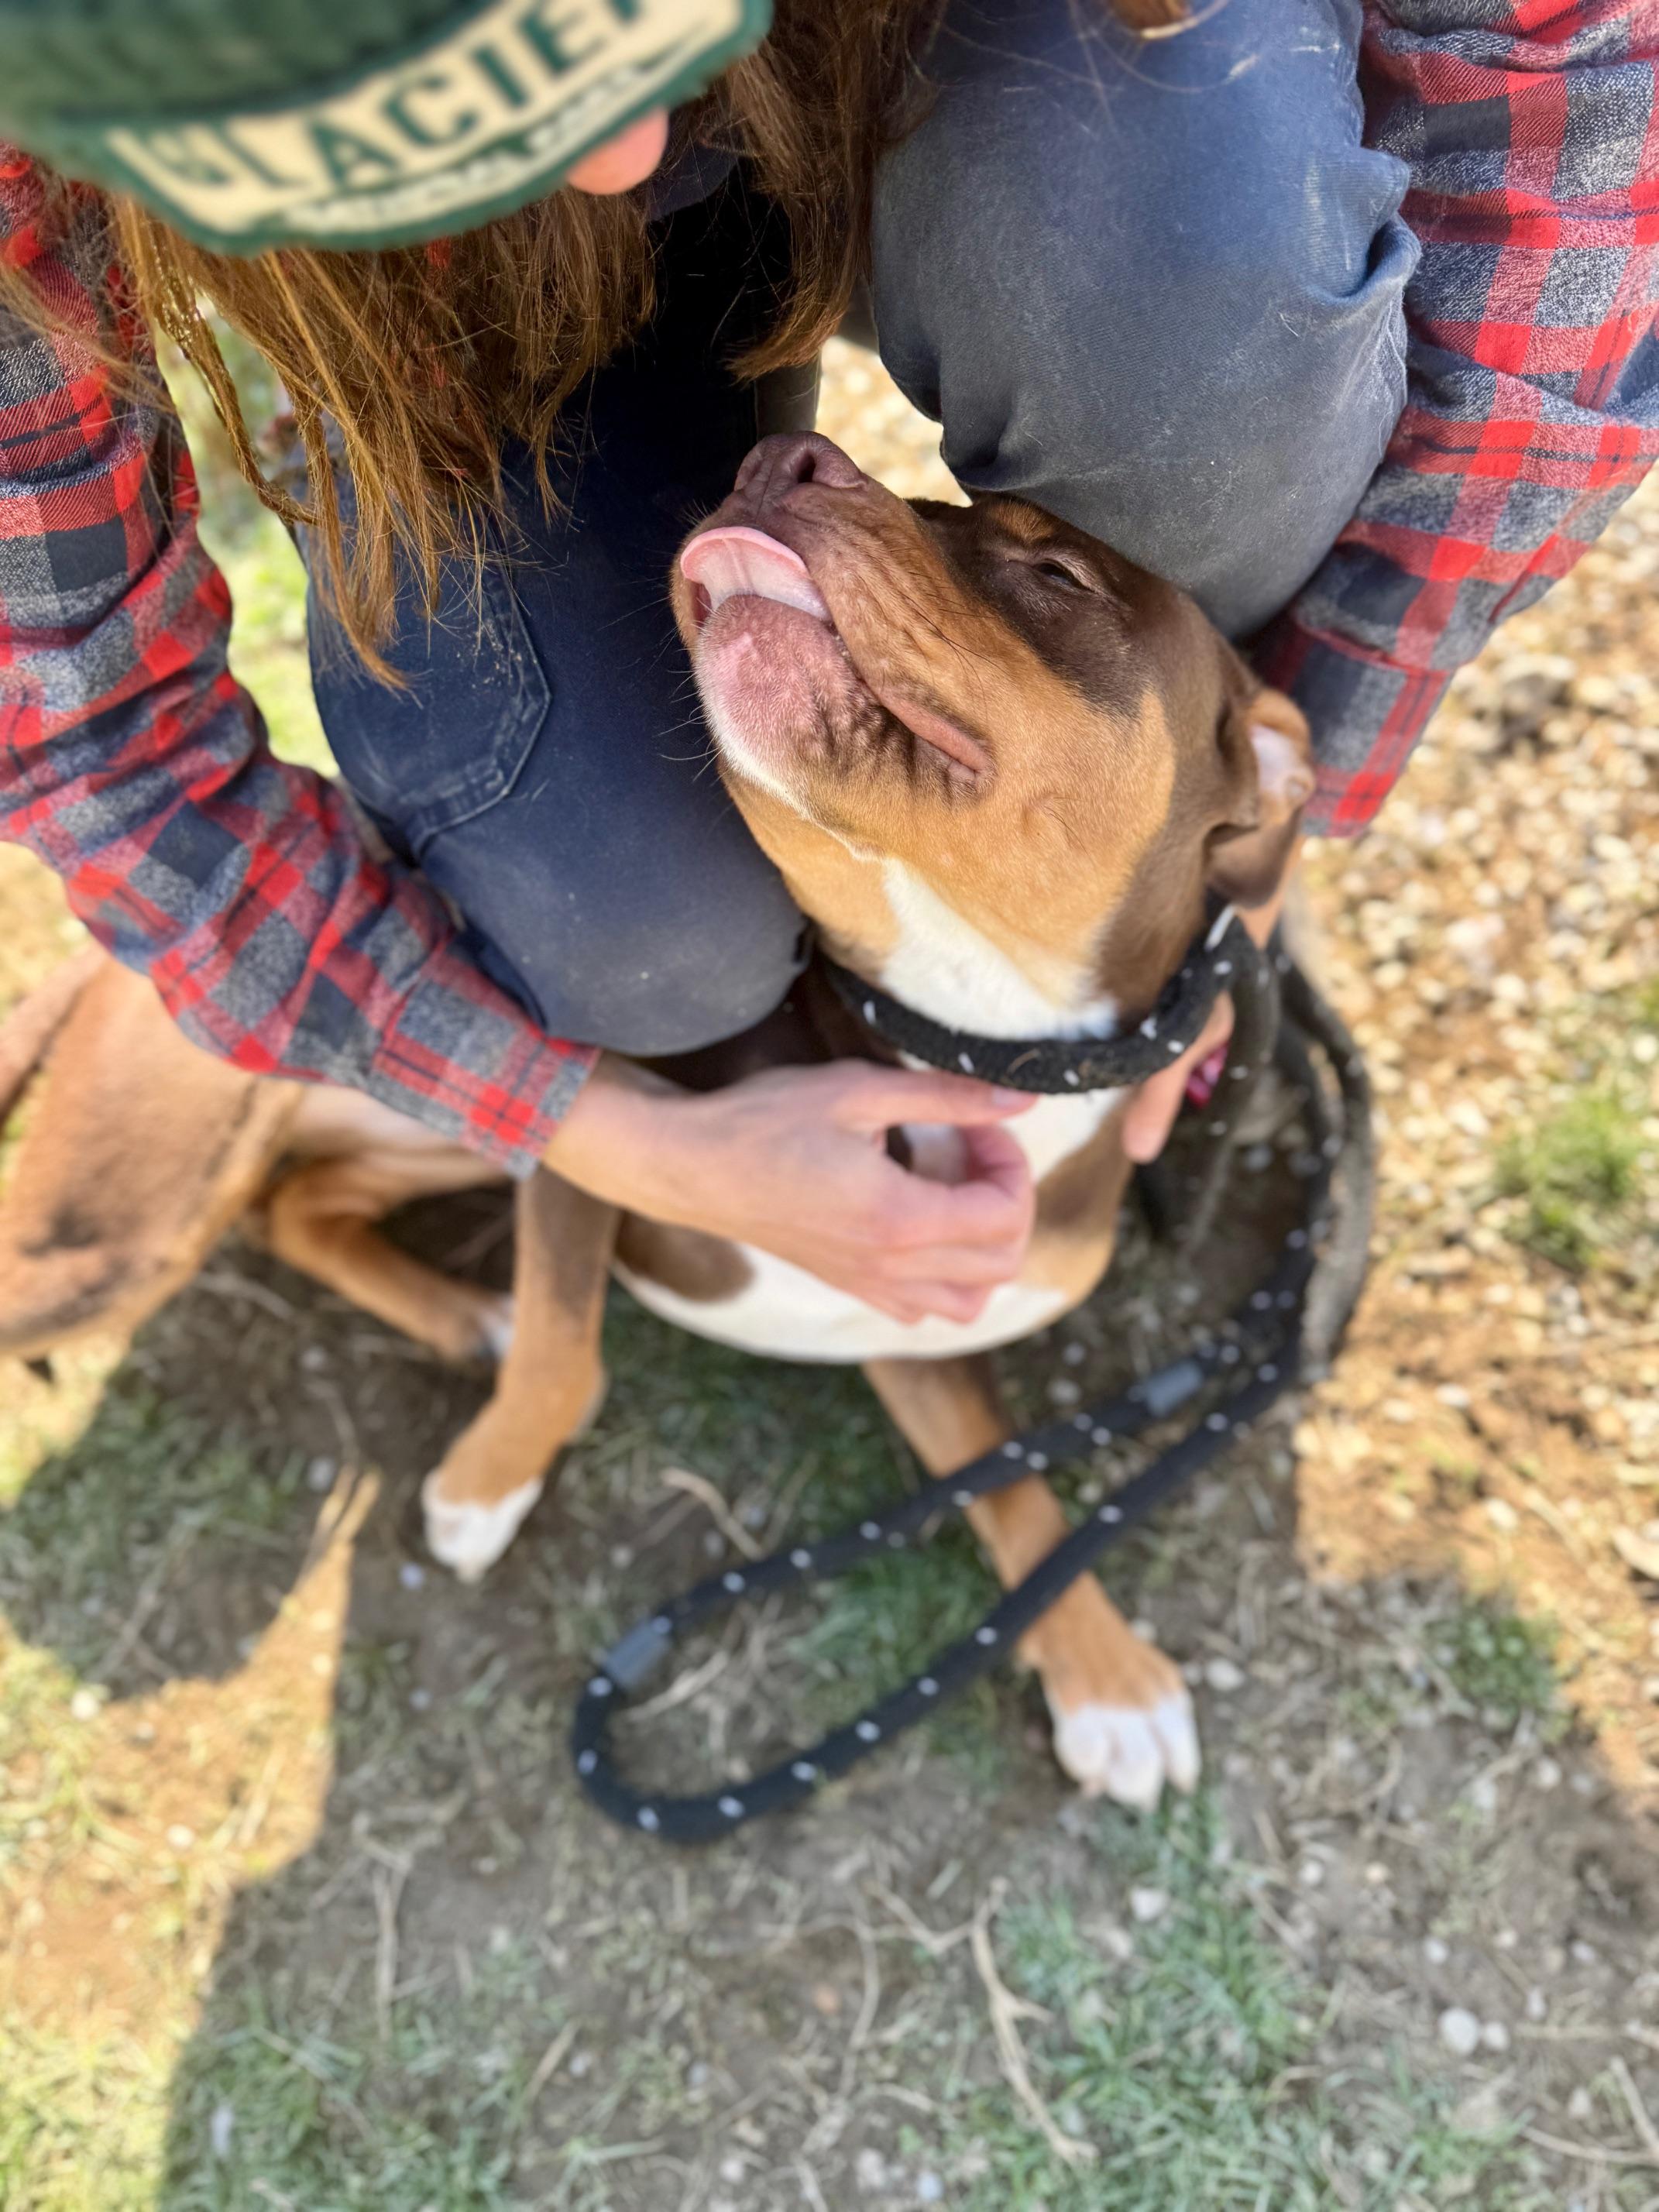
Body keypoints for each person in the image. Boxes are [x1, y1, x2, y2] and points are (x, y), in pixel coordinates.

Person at [1, 0, 1655, 1328]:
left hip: (975, 57)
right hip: (476, 317)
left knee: (1213, 320)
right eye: (404, 142)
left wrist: (1261, 798)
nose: (642, 149)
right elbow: (98, 745)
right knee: (635, 932)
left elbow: (1570, 122)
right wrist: (615, 1133)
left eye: (603, 32)